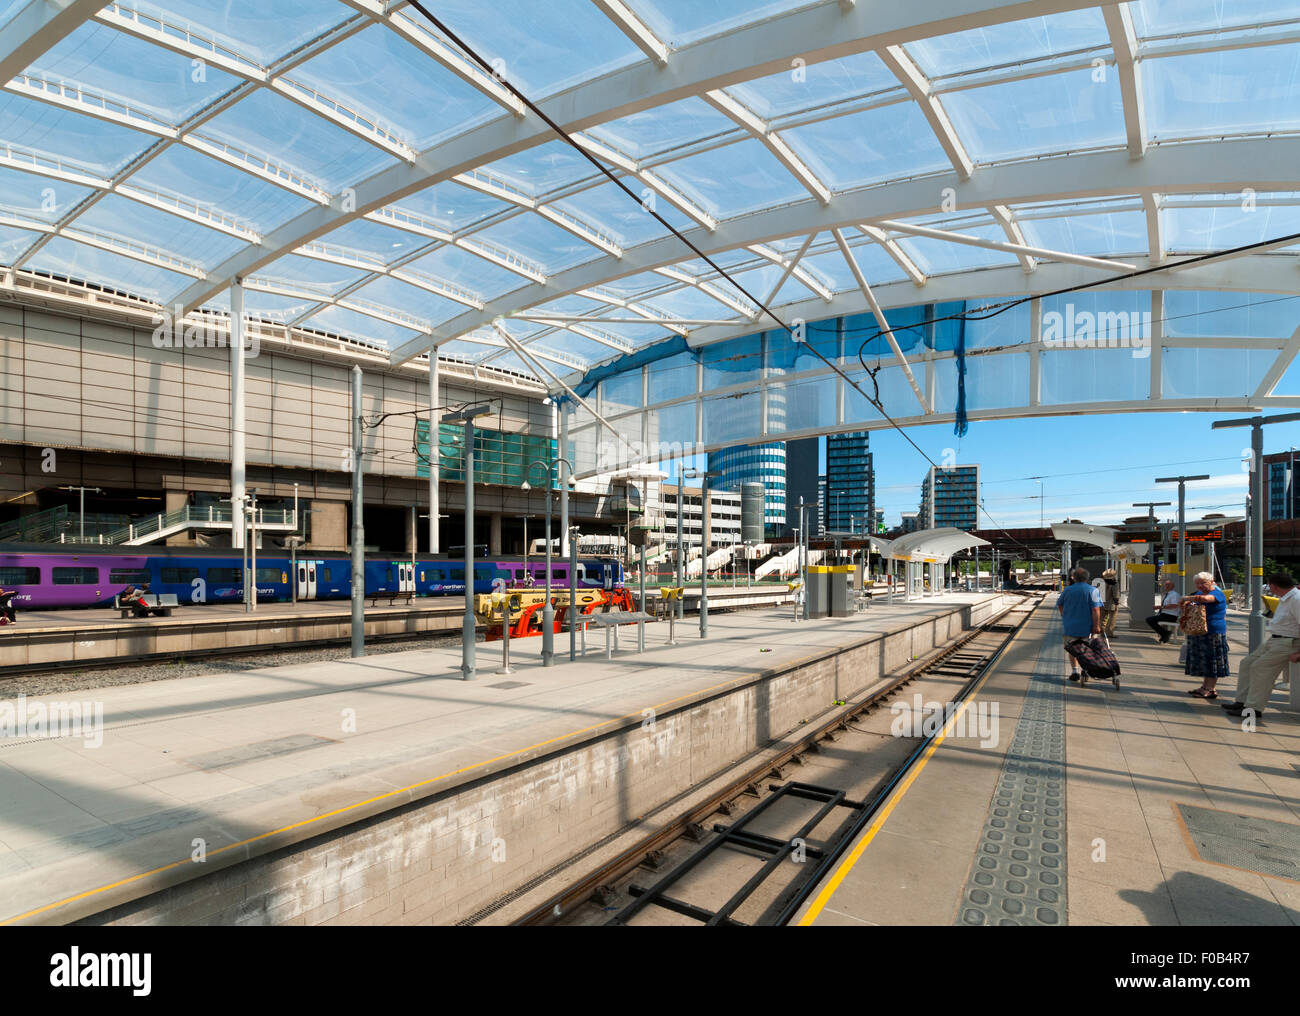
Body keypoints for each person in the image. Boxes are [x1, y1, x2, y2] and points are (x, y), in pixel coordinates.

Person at [1220, 573, 1300, 723]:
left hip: (1288, 643)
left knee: (1260, 668)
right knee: (1247, 663)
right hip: (1274, 640)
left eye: (1269, 585)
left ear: (1274, 585)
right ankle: (1241, 702)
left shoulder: (1297, 599)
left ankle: (1253, 708)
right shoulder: (1286, 598)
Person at [1182, 571, 1229, 699]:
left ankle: (1211, 688)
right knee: (1204, 660)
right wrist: (1187, 603)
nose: (1200, 586)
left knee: (1212, 660)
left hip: (1213, 631)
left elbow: (1205, 599)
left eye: (1203, 583)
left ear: (1212, 582)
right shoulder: (1198, 593)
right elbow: (1195, 600)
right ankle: (1205, 686)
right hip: (1198, 630)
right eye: (1197, 583)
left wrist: (1187, 598)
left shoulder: (1217, 594)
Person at [1058, 566, 1103, 682]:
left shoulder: (1067, 590)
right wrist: (1096, 626)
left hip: (1070, 626)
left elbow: (1060, 605)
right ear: (1087, 578)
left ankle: (1074, 671)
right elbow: (1096, 610)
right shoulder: (1093, 590)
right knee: (1087, 648)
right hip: (1087, 627)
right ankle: (1086, 669)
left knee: (1072, 649)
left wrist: (1065, 616)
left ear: (1075, 578)